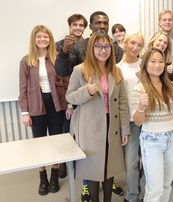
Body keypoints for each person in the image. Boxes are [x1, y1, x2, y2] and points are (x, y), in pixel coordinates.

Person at [55, 11, 125, 200]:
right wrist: (87, 91)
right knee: (93, 169)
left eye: (107, 46)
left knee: (110, 168)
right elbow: (70, 96)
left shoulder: (116, 71)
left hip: (112, 126)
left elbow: (123, 103)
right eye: (99, 46)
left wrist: (125, 130)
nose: (103, 50)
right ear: (91, 48)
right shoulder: (80, 70)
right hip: (90, 127)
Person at [131, 48, 173, 202]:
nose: (157, 65)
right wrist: (141, 106)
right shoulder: (139, 89)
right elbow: (138, 121)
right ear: (145, 64)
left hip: (171, 138)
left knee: (166, 185)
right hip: (151, 141)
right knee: (155, 189)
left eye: (161, 61)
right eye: (153, 61)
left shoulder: (171, 85)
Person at [18, 25, 67, 196]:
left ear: (50, 39)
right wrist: (25, 112)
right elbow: (22, 88)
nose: (42, 40)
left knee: (55, 141)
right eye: (39, 37)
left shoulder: (57, 58)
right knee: (38, 142)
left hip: (56, 104)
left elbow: (66, 82)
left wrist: (69, 104)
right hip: (36, 105)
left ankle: (54, 175)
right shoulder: (26, 61)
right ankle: (43, 177)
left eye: (45, 37)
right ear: (34, 39)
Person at [55, 13, 88, 179]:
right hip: (68, 94)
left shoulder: (89, 44)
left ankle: (82, 164)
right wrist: (65, 50)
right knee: (66, 131)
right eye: (75, 25)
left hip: (87, 93)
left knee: (84, 133)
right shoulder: (59, 45)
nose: (78, 28)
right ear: (69, 26)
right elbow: (60, 72)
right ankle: (64, 163)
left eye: (81, 25)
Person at [117, 32, 145, 202]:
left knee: (148, 160)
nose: (135, 47)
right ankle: (133, 194)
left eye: (139, 45)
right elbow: (118, 99)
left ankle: (144, 193)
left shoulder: (146, 64)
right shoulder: (118, 67)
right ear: (125, 44)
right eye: (132, 43)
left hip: (148, 119)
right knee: (131, 162)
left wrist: (145, 80)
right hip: (130, 121)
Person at [55, 11, 123, 77]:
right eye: (98, 23)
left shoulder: (117, 49)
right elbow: (63, 72)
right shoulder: (78, 48)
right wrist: (64, 51)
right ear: (90, 26)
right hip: (85, 86)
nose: (102, 26)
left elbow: (117, 73)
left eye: (105, 23)